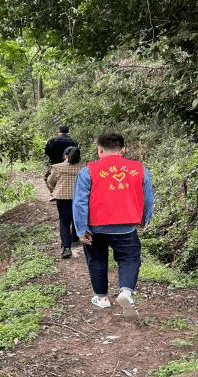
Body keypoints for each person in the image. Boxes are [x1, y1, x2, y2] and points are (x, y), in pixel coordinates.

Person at [72, 132, 154, 321]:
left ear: (100, 150)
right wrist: (143, 219)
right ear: (123, 149)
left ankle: (101, 298)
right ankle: (126, 291)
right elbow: (148, 198)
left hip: (95, 227)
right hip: (126, 226)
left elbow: (80, 203)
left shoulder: (88, 171)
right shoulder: (139, 169)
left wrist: (81, 229)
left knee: (97, 259)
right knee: (129, 258)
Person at [46, 146, 84, 259]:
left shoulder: (58, 168)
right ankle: (75, 237)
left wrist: (54, 188)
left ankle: (67, 248)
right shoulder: (84, 167)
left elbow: (50, 181)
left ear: (65, 155)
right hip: (79, 197)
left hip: (62, 197)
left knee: (64, 221)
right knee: (76, 219)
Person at [43, 125, 78, 195]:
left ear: (58, 131)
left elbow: (47, 152)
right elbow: (76, 152)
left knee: (47, 178)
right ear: (68, 132)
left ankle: (53, 192)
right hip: (70, 163)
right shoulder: (73, 141)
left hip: (55, 163)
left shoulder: (53, 140)